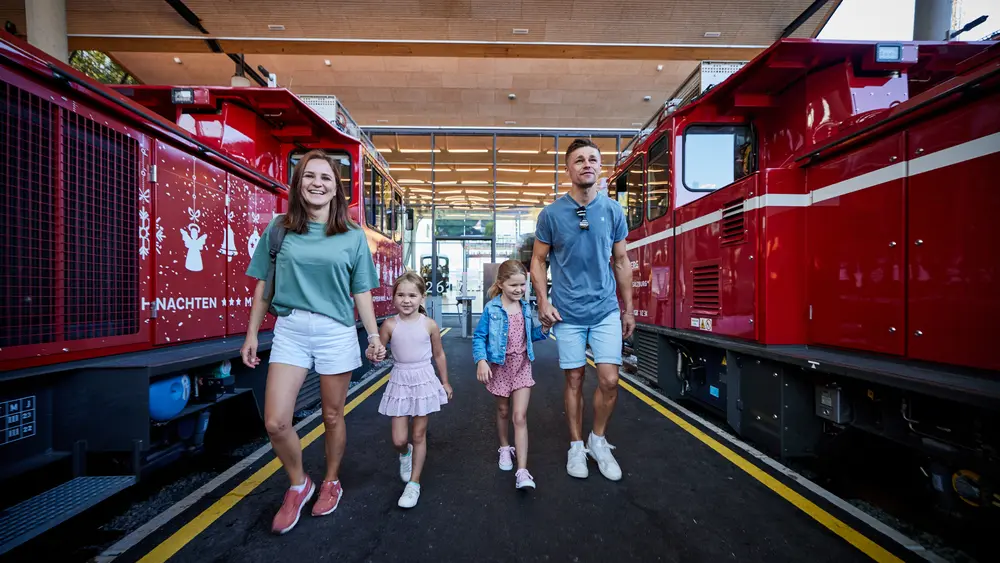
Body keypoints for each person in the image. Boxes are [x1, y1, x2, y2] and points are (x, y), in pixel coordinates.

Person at [240, 149, 385, 534]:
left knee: (333, 415)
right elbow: (263, 287)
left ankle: (331, 481)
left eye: (325, 178)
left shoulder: (352, 236)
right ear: (299, 184)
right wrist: (253, 333)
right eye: (309, 176)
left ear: (336, 189)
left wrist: (372, 335)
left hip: (336, 331)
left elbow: (362, 293)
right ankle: (299, 483)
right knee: (274, 421)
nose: (317, 183)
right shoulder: (279, 229)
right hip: (290, 329)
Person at [530, 138, 635, 482]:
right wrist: (543, 301)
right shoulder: (551, 214)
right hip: (568, 313)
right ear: (568, 169)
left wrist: (628, 309)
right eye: (579, 160)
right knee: (574, 378)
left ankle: (598, 440)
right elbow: (538, 260)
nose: (586, 164)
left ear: (599, 167)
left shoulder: (613, 211)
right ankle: (576, 445)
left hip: (605, 309)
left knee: (609, 380)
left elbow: (621, 261)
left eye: (592, 159)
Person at [375, 271, 453, 508]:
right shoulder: (389, 324)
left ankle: (414, 484)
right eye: (401, 295)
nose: (406, 300)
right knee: (399, 439)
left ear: (422, 297)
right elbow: (378, 351)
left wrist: (445, 381)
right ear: (393, 297)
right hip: (400, 379)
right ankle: (405, 453)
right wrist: (374, 353)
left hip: (424, 379)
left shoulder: (429, 324)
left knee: (418, 434)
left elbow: (438, 354)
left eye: (412, 295)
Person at [472, 259, 550, 490]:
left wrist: (544, 329)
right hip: (500, 367)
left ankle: (523, 471)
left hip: (523, 366)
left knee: (520, 416)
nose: (519, 290)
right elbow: (479, 338)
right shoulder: (492, 309)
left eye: (523, 285)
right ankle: (505, 447)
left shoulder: (526, 308)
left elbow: (530, 336)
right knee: (503, 410)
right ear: (501, 284)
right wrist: (481, 361)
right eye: (514, 285)